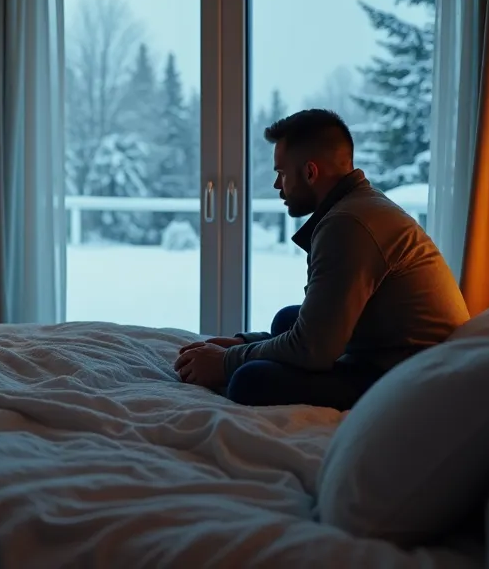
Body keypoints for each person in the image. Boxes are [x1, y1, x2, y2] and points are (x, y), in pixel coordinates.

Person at [173, 109, 469, 410]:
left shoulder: (347, 225)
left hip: (407, 377)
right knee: (287, 318)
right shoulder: (359, 206)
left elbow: (313, 349)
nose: (277, 186)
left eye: (281, 173)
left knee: (250, 380)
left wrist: (225, 362)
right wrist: (246, 343)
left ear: (310, 172)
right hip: (391, 349)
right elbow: (322, 326)